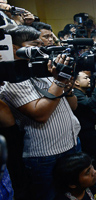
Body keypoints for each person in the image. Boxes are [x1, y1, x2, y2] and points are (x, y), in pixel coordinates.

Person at [0, 25, 81, 200]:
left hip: (72, 143)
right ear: (15, 48)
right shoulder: (12, 79)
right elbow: (40, 114)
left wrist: (68, 86)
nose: (41, 48)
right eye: (35, 44)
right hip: (45, 156)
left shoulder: (43, 67)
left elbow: (73, 106)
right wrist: (59, 82)